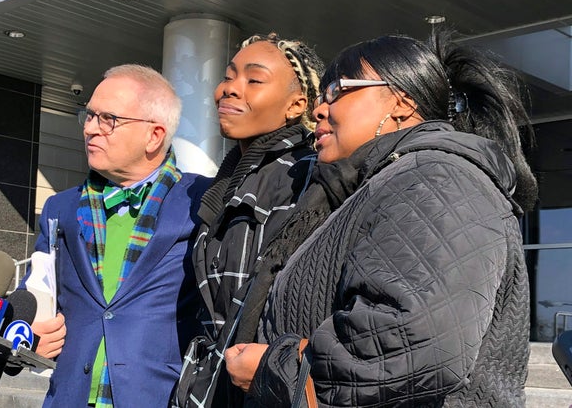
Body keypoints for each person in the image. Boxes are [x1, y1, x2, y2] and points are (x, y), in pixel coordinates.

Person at [225, 31, 537, 406]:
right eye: (320, 97)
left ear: (401, 102)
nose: (319, 110)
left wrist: (275, 366)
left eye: (338, 92)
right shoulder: (380, 188)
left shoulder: (436, 175)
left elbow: (413, 340)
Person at [30, 64, 210, 408]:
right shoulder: (60, 208)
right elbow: (37, 291)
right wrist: (28, 332)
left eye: (108, 119)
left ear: (154, 135)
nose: (90, 129)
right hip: (70, 397)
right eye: (89, 115)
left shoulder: (202, 202)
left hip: (162, 397)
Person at [173, 33, 325, 407]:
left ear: (297, 105)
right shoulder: (228, 180)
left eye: (253, 80)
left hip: (261, 389)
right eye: (228, 77)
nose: (230, 89)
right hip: (213, 386)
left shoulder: (304, 177)